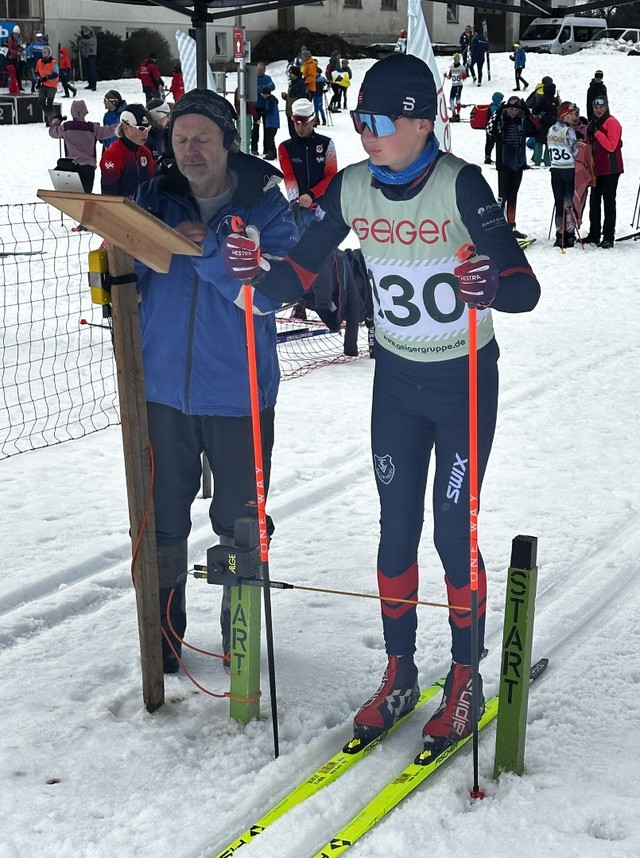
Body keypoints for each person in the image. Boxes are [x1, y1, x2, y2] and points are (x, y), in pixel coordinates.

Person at [222, 53, 541, 752]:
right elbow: (292, 280)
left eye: (379, 120)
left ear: (422, 121)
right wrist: (257, 268)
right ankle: (400, 671)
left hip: (462, 381)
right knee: (395, 529)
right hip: (396, 381)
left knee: (452, 532)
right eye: (358, 119)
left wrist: (489, 284)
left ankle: (464, 677)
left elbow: (524, 287)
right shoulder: (352, 187)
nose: (365, 132)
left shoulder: (461, 185)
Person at [129, 89, 299, 673]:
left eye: (202, 138)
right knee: (162, 514)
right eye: (179, 139)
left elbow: (270, 297)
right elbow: (131, 280)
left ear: (228, 141)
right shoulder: (151, 197)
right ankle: (164, 638)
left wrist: (208, 251)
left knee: (239, 517)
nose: (190, 151)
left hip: (239, 392)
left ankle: (240, 634)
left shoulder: (268, 209)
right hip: (160, 391)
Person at [277, 97, 338, 233]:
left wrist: (311, 194)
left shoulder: (327, 144)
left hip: (323, 206)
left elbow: (331, 176)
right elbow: (289, 176)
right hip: (300, 207)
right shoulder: (285, 147)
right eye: (296, 124)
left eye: (304, 124)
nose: (300, 128)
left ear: (313, 121)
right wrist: (294, 200)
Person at [490, 94, 540, 237]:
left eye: (516, 109)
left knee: (513, 195)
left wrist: (528, 112)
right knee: (502, 196)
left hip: (518, 164)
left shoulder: (523, 122)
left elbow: (537, 130)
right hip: (504, 163)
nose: (513, 112)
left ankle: (511, 226)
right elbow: (490, 130)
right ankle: (498, 226)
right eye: (510, 109)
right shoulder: (500, 120)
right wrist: (499, 111)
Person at [49, 100, 116, 192]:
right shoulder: (92, 128)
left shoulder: (66, 127)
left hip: (71, 166)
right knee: (86, 196)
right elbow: (109, 131)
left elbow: (52, 132)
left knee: (73, 197)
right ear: (85, 112)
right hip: (88, 167)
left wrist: (56, 120)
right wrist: (123, 125)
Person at [584, 96, 623, 248]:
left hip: (611, 168)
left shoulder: (612, 122)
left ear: (606, 107)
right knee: (594, 201)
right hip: (597, 168)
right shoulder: (595, 122)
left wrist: (598, 133)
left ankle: (608, 236)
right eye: (596, 107)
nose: (598, 109)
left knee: (608, 201)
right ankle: (594, 233)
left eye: (601, 107)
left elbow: (612, 145)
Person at [546, 101, 581, 249]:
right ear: (564, 115)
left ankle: (560, 235)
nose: (575, 118)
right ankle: (570, 235)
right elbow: (575, 151)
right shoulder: (568, 131)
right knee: (569, 203)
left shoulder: (551, 129)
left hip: (555, 169)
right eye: (572, 115)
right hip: (568, 169)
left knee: (558, 202)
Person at [100, 104, 155, 196]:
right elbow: (109, 195)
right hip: (120, 209)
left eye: (148, 128)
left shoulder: (145, 152)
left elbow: (151, 185)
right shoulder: (113, 154)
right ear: (125, 128)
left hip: (142, 208)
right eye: (141, 129)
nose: (146, 133)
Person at [250, 61, 275, 155]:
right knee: (255, 128)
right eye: (258, 70)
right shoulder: (254, 78)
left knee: (267, 129)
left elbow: (273, 86)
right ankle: (254, 148)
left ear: (264, 69)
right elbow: (254, 88)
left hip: (266, 107)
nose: (259, 72)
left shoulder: (268, 78)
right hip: (256, 107)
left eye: (261, 70)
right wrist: (264, 88)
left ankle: (267, 149)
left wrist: (265, 87)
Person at [35, 45, 59, 126]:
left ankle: (51, 120)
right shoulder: (39, 62)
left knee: (49, 103)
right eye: (43, 52)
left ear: (49, 53)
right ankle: (52, 117)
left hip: (52, 85)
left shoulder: (53, 62)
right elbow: (37, 72)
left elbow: (56, 74)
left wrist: (47, 77)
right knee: (41, 103)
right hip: (42, 85)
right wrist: (38, 80)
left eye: (46, 52)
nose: (44, 53)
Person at [281, 66, 308, 137]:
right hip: (290, 112)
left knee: (296, 133)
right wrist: (286, 97)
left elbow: (301, 97)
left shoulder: (300, 83)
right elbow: (292, 97)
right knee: (292, 132)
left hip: (296, 113)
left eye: (291, 73)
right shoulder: (292, 83)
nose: (290, 75)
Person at [145, 98, 172, 171]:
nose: (169, 119)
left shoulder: (165, 132)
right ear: (159, 117)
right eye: (167, 115)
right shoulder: (147, 138)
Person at [444, 52, 468, 122]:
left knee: (457, 100)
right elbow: (449, 76)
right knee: (451, 100)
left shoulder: (461, 67)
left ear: (459, 59)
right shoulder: (452, 67)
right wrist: (446, 76)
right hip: (453, 85)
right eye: (454, 59)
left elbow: (465, 76)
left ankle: (458, 115)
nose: (455, 60)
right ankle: (453, 114)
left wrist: (462, 76)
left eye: (456, 59)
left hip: (459, 85)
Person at [483, 91, 503, 164]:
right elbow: (495, 115)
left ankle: (488, 156)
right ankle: (488, 157)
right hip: (492, 128)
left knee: (489, 142)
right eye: (500, 99)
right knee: (491, 143)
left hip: (490, 127)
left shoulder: (493, 105)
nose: (501, 101)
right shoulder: (494, 107)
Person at [261, 87, 280, 160]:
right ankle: (273, 153)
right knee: (271, 138)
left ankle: (271, 153)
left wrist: (263, 113)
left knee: (270, 138)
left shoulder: (270, 100)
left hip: (271, 122)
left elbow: (270, 111)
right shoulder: (272, 99)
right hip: (273, 122)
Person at [7, 25, 25, 91]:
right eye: (15, 34)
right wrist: (16, 52)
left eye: (17, 34)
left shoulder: (20, 38)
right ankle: (12, 85)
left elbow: (23, 45)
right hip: (12, 58)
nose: (16, 35)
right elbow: (10, 49)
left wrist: (22, 48)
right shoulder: (11, 38)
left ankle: (19, 85)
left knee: (19, 72)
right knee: (13, 73)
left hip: (19, 58)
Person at [80, 26, 97, 91]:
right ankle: (90, 84)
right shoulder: (84, 38)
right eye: (85, 31)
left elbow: (90, 42)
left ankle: (94, 85)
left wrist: (83, 41)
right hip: (85, 55)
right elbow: (81, 44)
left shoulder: (93, 37)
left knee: (92, 70)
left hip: (91, 55)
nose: (86, 32)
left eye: (87, 31)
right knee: (88, 71)